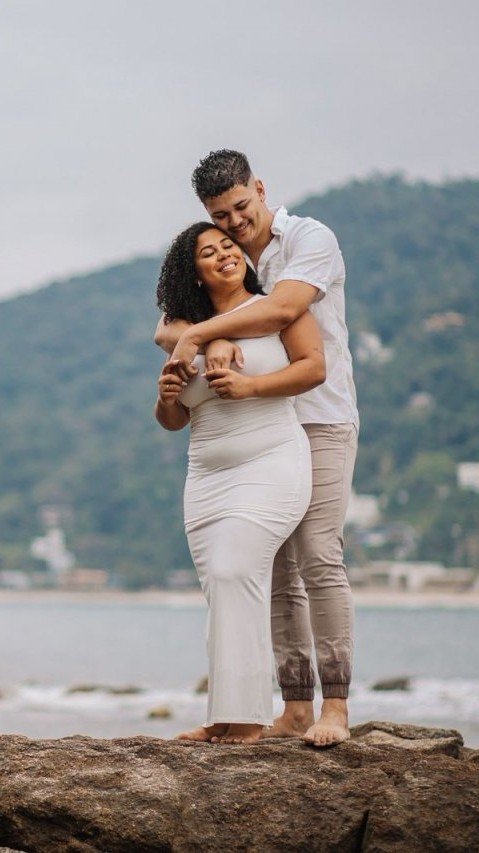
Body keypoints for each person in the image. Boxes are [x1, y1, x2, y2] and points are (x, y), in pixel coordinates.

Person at [155, 150, 359, 748]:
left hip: (319, 419)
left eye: (241, 208)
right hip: (251, 435)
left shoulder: (308, 240)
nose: (235, 224)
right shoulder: (233, 260)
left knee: (318, 557)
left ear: (260, 189)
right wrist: (200, 340)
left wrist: (202, 336)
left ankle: (335, 709)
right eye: (221, 217)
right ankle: (292, 709)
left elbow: (282, 309)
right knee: (274, 574)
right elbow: (166, 327)